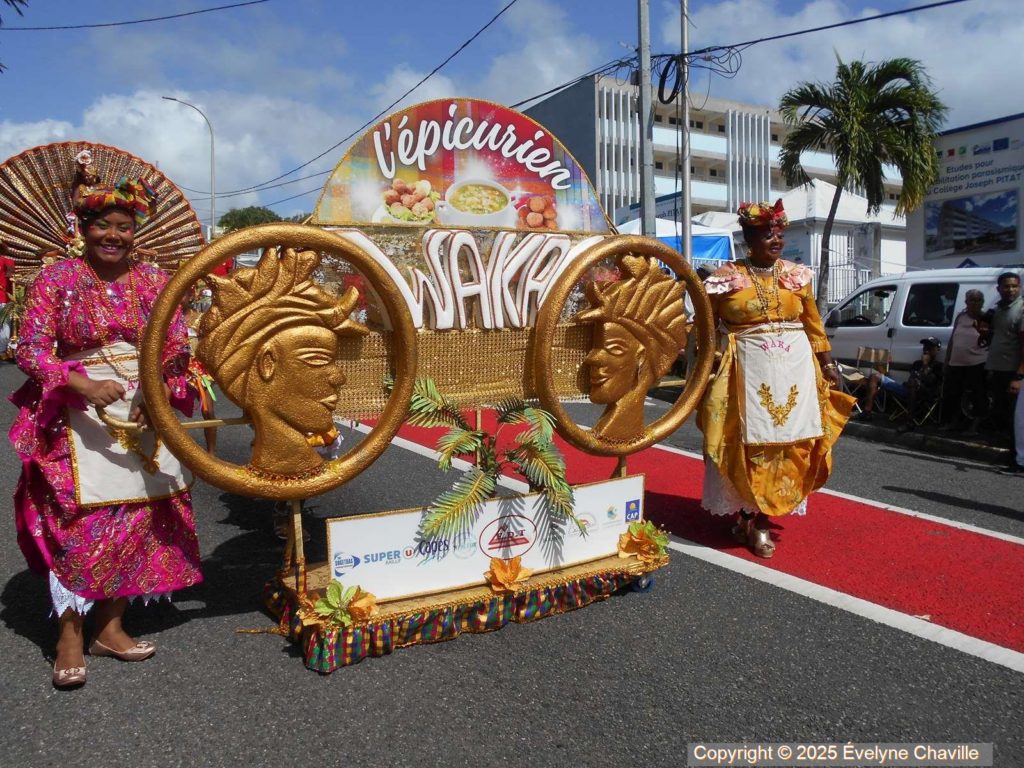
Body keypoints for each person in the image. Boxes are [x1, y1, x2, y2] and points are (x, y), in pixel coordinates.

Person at [8, 150, 202, 688]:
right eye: (103, 226)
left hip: (141, 409)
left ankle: (110, 626)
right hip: (75, 413)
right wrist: (83, 384)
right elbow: (32, 349)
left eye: (124, 227)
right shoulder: (57, 280)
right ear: (84, 228)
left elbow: (174, 343)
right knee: (75, 524)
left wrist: (159, 384)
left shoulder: (156, 280)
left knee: (143, 517)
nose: (114, 236)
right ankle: (70, 634)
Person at [699, 200, 854, 558]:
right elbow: (706, 331)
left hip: (796, 371)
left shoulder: (796, 276)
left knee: (789, 442)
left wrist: (829, 366)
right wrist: (704, 369)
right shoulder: (725, 277)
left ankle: (765, 519)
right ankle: (745, 513)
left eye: (779, 234)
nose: (776, 239)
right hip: (744, 371)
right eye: (767, 233)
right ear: (748, 239)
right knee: (745, 445)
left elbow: (814, 325)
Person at [854, 337, 943, 429]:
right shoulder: (917, 363)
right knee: (875, 376)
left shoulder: (938, 366)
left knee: (914, 383)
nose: (926, 350)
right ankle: (867, 412)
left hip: (925, 394)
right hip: (908, 389)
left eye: (930, 348)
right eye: (925, 347)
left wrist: (925, 365)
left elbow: (930, 381)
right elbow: (912, 377)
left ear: (937, 350)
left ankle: (909, 422)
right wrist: (921, 368)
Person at [984, 272, 1022, 463]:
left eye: (1014, 286)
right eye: (1006, 286)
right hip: (999, 368)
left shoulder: (1021, 309)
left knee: (1016, 417)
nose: (1010, 290)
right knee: (1002, 411)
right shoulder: (999, 309)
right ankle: (1010, 452)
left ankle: (1017, 457)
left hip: (1013, 371)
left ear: (1020, 287)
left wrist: (1019, 377)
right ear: (998, 289)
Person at [940, 290, 988, 430]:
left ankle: (974, 426)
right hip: (956, 362)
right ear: (966, 302)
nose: (974, 303)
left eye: (978, 300)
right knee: (952, 393)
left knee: (977, 394)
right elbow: (953, 339)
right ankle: (952, 422)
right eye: (971, 300)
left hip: (977, 363)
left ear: (982, 302)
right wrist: (947, 360)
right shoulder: (960, 317)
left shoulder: (986, 318)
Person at [0, 241, 15, 356]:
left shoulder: (8, 262)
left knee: (4, 328)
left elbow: (11, 277)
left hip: (3, 298)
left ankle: (3, 350)